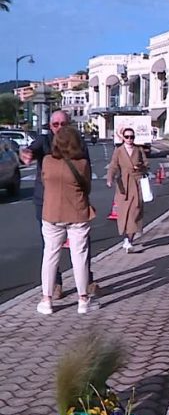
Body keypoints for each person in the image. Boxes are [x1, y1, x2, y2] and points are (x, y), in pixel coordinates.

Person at [21, 110, 97, 299]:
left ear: (69, 124)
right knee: (51, 248)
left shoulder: (79, 143)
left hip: (74, 201)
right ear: (50, 126)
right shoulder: (44, 140)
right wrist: (27, 153)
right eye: (56, 125)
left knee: (81, 246)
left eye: (63, 124)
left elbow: (86, 172)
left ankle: (86, 281)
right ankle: (55, 284)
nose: (60, 128)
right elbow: (33, 149)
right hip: (47, 202)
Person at [38, 126, 99, 315]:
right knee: (79, 255)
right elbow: (87, 186)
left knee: (50, 255)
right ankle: (83, 300)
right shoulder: (82, 164)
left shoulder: (47, 161)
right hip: (77, 212)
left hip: (52, 213)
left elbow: (43, 181)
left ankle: (47, 300)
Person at [106, 128, 149, 253]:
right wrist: (110, 178)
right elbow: (113, 165)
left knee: (135, 211)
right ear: (123, 138)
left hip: (136, 183)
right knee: (123, 212)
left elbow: (146, 164)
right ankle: (126, 238)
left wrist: (140, 167)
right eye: (127, 137)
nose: (130, 139)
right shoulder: (118, 151)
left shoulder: (139, 150)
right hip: (123, 185)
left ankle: (129, 240)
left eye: (132, 137)